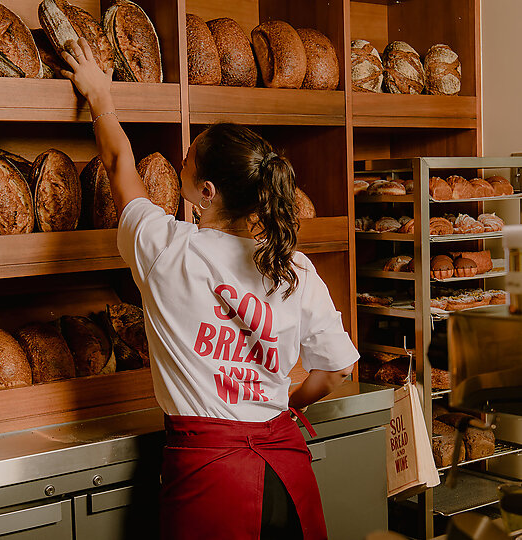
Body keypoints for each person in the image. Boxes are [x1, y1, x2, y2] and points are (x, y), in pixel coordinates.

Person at [61, 38, 359, 540]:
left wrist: (101, 99)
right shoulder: (296, 267)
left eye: (188, 159)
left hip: (210, 476)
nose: (181, 161)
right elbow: (339, 373)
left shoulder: (166, 249)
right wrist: (285, 406)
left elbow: (119, 168)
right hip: (287, 472)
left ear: (206, 192)